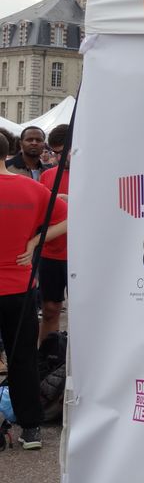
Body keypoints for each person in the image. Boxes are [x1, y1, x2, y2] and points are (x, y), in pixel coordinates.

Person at [0, 132, 67, 450]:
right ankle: (31, 428)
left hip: (19, 284)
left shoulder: (32, 186)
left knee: (22, 356)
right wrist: (35, 241)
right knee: (23, 358)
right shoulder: (32, 188)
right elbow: (67, 217)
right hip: (21, 287)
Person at [38, 124, 71, 344]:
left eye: (63, 152)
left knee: (86, 312)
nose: (59, 157)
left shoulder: (95, 174)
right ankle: (46, 355)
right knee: (50, 309)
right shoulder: (48, 175)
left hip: (83, 253)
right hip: (52, 252)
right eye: (55, 152)